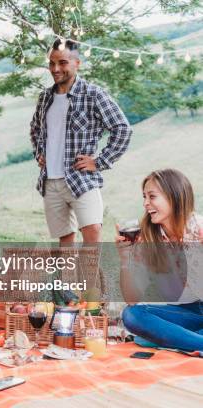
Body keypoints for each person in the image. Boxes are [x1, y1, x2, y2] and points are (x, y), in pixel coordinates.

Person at [30, 39, 132, 244]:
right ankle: (70, 278)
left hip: (81, 178)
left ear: (77, 63)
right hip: (51, 181)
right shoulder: (45, 97)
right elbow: (35, 128)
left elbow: (122, 129)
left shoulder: (93, 94)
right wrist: (39, 153)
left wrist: (99, 162)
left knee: (92, 231)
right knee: (65, 241)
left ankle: (89, 277)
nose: (55, 68)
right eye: (51, 63)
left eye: (62, 62)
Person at [117, 169, 203, 352]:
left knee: (146, 339)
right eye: (144, 197)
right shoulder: (147, 239)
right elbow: (132, 300)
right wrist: (126, 260)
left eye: (152, 196)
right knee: (132, 315)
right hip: (189, 312)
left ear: (174, 196)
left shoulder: (200, 229)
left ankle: (180, 339)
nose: (146, 203)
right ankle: (193, 340)